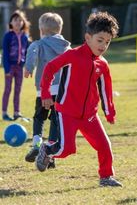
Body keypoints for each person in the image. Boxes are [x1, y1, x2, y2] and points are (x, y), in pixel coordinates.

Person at [36, 11, 122, 187]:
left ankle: (106, 177)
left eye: (107, 42)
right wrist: (45, 94)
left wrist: (109, 111)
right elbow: (50, 68)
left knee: (105, 146)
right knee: (66, 149)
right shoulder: (72, 56)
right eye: (100, 40)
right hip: (66, 111)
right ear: (88, 37)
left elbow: (106, 88)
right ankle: (46, 149)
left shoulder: (102, 64)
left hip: (90, 115)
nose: (103, 45)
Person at [24, 12, 71, 167]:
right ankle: (49, 152)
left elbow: (32, 52)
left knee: (39, 117)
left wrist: (28, 68)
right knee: (56, 121)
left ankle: (37, 143)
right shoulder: (66, 46)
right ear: (60, 29)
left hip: (44, 89)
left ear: (41, 30)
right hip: (62, 90)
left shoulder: (39, 44)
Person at [2, 10, 31, 121]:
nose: (18, 22)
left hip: (19, 67)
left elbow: (27, 52)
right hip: (10, 67)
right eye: (15, 20)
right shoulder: (8, 36)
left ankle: (16, 112)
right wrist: (7, 68)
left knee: (18, 90)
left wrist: (25, 65)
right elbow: (5, 54)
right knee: (8, 89)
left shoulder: (25, 36)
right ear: (11, 23)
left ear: (23, 23)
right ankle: (4, 113)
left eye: (20, 20)